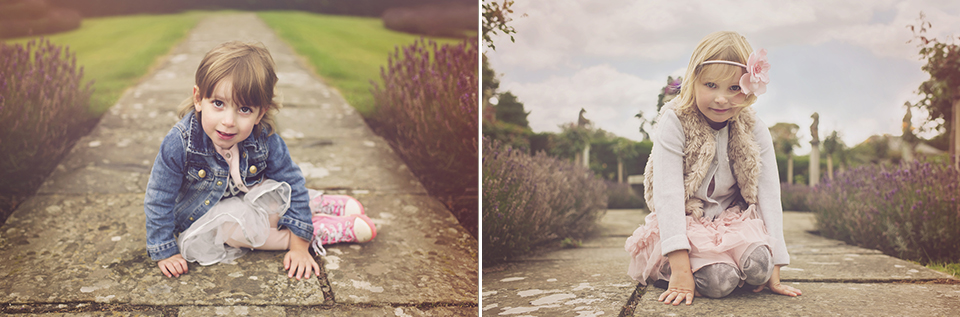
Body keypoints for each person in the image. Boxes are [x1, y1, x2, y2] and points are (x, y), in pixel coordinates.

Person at [144, 41, 376, 280]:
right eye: (218, 104)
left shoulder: (264, 139)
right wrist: (164, 250)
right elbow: (158, 197)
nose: (228, 120)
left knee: (278, 197)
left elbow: (291, 181)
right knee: (232, 231)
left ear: (260, 114)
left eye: (244, 109)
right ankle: (319, 230)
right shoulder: (180, 142)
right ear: (198, 99)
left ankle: (315, 209)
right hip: (209, 212)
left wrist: (300, 247)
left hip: (251, 197)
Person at [624, 31, 801, 306]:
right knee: (719, 281)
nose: (721, 99)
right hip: (686, 221)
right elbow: (668, 193)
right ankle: (678, 266)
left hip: (731, 220)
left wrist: (777, 263)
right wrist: (682, 270)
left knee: (760, 268)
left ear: (750, 89)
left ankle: (729, 262)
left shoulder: (753, 127)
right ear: (693, 81)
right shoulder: (676, 121)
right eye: (711, 85)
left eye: (734, 88)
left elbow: (768, 192)